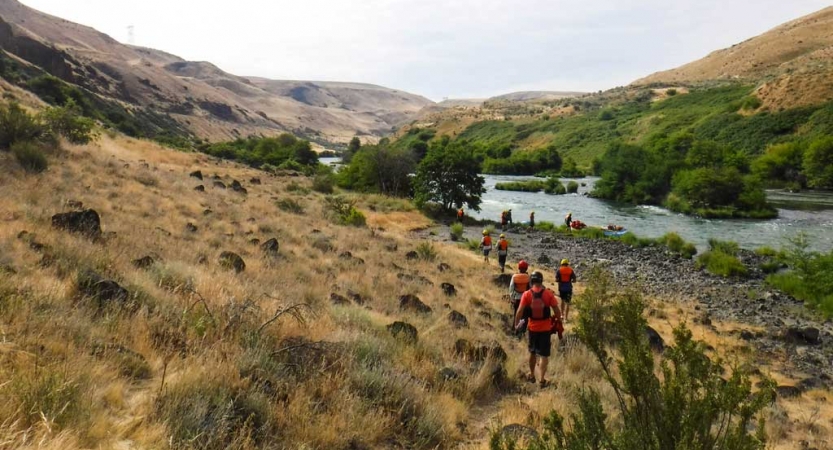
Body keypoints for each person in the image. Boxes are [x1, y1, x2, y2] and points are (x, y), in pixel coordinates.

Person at [514, 271, 561, 388]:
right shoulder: (548, 294)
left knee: (532, 352)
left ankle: (531, 375)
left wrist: (516, 324)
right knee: (544, 355)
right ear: (541, 281)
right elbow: (556, 309)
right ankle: (542, 379)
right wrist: (558, 321)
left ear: (531, 281)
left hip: (532, 328)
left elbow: (519, 311)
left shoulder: (526, 294)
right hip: (545, 329)